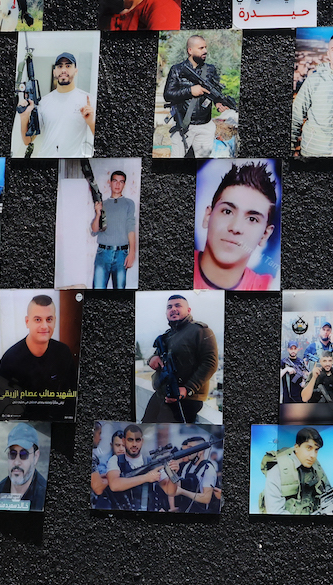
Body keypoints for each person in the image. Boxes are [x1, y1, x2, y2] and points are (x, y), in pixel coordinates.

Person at [194, 160, 278, 290]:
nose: (235, 228)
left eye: (252, 219)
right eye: (227, 211)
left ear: (265, 235)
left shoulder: (270, 287)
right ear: (207, 216)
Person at [0, 294, 78, 419]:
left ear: (55, 321)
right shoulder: (9, 360)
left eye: (49, 319)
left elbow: (72, 398)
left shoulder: (64, 352)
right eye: (38, 319)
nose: (44, 326)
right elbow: (5, 410)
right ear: (27, 322)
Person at [261, 426, 333, 515]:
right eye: (308, 448)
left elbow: (329, 500)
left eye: (316, 450)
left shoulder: (317, 470)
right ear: (296, 447)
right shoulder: (278, 470)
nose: (313, 455)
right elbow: (275, 512)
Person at [145, 294, 220, 423]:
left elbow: (210, 363)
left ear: (188, 310)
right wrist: (152, 358)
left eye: (178, 305)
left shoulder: (200, 331)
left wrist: (187, 389)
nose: (173, 309)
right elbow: (158, 355)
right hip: (161, 395)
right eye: (169, 307)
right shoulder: (168, 335)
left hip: (186, 400)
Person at [17, 52, 94, 157]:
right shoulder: (43, 102)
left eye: (68, 66)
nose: (63, 70)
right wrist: (24, 117)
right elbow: (28, 141)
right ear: (54, 72)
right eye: (60, 66)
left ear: (76, 71)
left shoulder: (88, 100)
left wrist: (90, 122)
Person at [162, 34, 225, 158]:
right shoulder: (177, 69)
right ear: (190, 50)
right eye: (201, 48)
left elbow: (215, 92)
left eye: (205, 47)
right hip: (184, 126)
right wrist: (190, 90)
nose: (205, 51)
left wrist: (218, 102)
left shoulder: (211, 69)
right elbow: (168, 95)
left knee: (202, 164)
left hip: (205, 127)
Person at [0, 422, 48, 510]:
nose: (16, 462)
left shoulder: (44, 497)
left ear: (35, 457)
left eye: (24, 454)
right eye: (12, 454)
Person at [91, 167, 137, 290]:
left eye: (121, 181)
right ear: (110, 183)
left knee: (120, 292)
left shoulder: (129, 203)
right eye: (115, 181)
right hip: (102, 254)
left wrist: (132, 252)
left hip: (121, 254)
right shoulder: (103, 204)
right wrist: (98, 213)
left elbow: (130, 227)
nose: (117, 184)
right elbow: (94, 230)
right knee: (98, 290)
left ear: (124, 184)